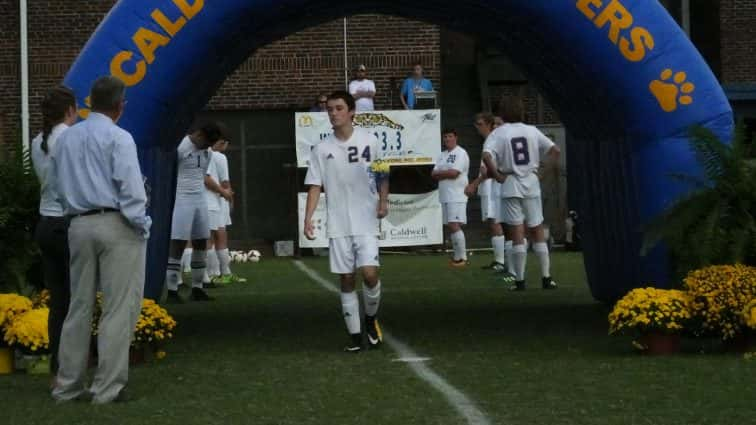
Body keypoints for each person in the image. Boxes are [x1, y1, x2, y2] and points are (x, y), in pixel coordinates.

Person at [51, 76, 150, 404]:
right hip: (116, 223)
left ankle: (67, 385)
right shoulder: (119, 138)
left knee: (78, 306)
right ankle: (106, 388)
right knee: (117, 308)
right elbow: (132, 190)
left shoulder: (66, 139)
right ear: (121, 105)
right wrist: (141, 223)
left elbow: (59, 186)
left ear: (90, 101)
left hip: (77, 223)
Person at [303, 90, 389, 353]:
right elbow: (315, 186)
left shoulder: (370, 141)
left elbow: (382, 172)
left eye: (339, 108)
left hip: (365, 219)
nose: (333, 113)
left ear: (351, 111)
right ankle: (354, 338)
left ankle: (371, 320)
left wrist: (383, 201)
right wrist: (308, 219)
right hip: (338, 223)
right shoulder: (321, 148)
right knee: (347, 279)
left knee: (370, 274)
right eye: (329, 109)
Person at [482, 97, 560, 291]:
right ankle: (546, 277)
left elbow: (486, 155)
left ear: (503, 114)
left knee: (517, 232)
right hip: (531, 181)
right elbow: (555, 151)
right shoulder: (532, 130)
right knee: (537, 229)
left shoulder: (499, 132)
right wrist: (542, 172)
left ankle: (520, 280)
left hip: (510, 182)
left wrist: (497, 174)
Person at [30, 85, 77, 377]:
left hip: (45, 224)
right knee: (77, 300)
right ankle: (74, 364)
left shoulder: (38, 141)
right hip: (66, 223)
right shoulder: (71, 138)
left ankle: (58, 366)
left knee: (58, 301)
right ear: (70, 110)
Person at [165, 122, 231, 303]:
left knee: (202, 241)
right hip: (181, 198)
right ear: (200, 135)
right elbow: (168, 173)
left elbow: (202, 176)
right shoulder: (180, 147)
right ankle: (172, 290)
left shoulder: (208, 152)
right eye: (207, 143)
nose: (208, 147)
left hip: (199, 199)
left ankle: (197, 287)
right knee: (178, 243)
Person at [465, 113, 512, 279]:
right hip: (488, 186)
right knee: (493, 222)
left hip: (493, 186)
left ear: (488, 124)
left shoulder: (493, 141)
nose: (477, 127)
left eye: (480, 123)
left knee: (496, 221)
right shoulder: (489, 141)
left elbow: (488, 170)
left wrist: (474, 183)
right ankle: (499, 259)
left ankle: (502, 261)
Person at [206, 138, 246, 285]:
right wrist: (229, 197)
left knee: (210, 237)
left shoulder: (203, 153)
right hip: (217, 199)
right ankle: (218, 273)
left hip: (211, 199)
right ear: (223, 142)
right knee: (218, 236)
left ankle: (218, 273)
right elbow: (224, 181)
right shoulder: (219, 157)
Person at [432, 128, 470, 267]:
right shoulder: (442, 155)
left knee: (454, 225)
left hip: (457, 194)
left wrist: (441, 173)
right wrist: (444, 173)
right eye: (445, 137)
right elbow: (433, 173)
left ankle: (462, 258)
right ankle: (457, 257)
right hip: (445, 195)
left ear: (456, 137)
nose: (447, 139)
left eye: (449, 136)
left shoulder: (461, 153)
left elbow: (454, 173)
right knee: (450, 225)